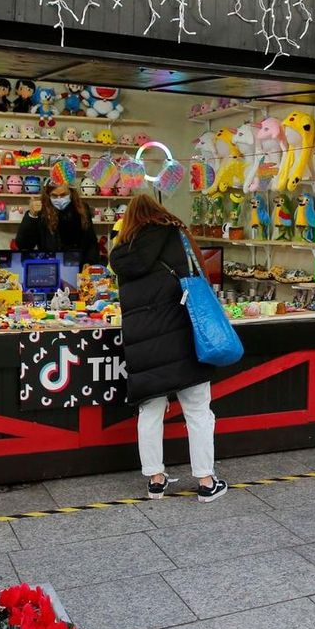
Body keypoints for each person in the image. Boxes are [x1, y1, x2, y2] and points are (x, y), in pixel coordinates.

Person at [107, 193, 227, 503]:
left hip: (143, 343)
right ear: (159, 212)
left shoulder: (120, 251)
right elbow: (199, 273)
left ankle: (156, 480)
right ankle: (205, 480)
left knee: (150, 410)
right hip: (181, 335)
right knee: (198, 409)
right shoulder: (175, 234)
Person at [15, 182, 99, 265]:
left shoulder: (82, 209)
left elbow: (91, 242)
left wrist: (89, 262)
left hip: (78, 267)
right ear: (48, 195)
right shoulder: (41, 211)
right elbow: (23, 245)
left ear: (71, 192)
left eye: (63, 195)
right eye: (54, 195)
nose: (59, 199)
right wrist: (32, 215)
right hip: (49, 265)